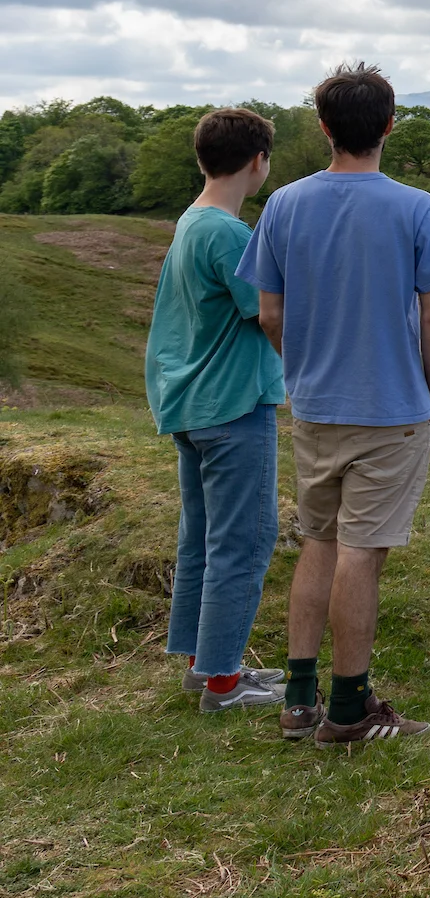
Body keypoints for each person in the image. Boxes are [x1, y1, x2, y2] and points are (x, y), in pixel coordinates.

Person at [240, 64, 430, 746]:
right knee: (362, 553)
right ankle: (348, 710)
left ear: (325, 127)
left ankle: (298, 701)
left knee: (320, 543)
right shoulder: (417, 207)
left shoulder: (284, 205)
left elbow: (268, 310)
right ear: (390, 125)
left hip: (314, 406)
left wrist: (299, 368)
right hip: (391, 410)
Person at [147, 107, 288, 714]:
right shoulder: (230, 234)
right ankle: (225, 684)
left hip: (189, 404)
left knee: (202, 539)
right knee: (246, 540)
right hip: (232, 406)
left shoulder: (191, 221)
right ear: (258, 162)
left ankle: (202, 666)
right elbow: (269, 312)